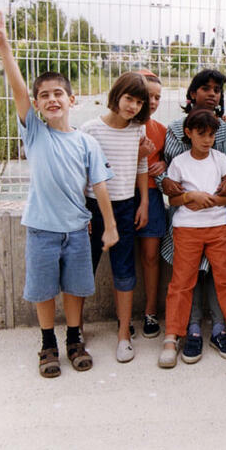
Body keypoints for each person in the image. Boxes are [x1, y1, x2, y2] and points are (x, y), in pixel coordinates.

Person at [0, 12, 118, 377]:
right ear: (38, 104)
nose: (51, 99)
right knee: (44, 290)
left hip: (77, 230)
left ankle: (74, 339)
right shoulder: (35, 134)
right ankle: (48, 344)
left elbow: (100, 185)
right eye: (43, 95)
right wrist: (3, 45)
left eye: (58, 93)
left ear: (72, 99)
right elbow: (16, 88)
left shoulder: (87, 142)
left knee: (75, 289)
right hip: (42, 230)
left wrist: (109, 225)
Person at [156, 69, 226, 362]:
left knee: (225, 278)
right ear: (192, 93)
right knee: (184, 279)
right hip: (186, 223)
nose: (212, 94)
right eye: (205, 88)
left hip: (220, 221)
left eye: (217, 90)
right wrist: (185, 195)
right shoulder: (175, 130)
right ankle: (186, 331)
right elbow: (166, 174)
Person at [81, 71, 150, 363]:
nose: (132, 106)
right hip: (93, 207)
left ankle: (124, 333)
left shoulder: (137, 131)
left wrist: (144, 202)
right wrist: (81, 212)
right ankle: (77, 328)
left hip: (125, 206)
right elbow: (81, 175)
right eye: (128, 98)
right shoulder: (90, 130)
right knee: (85, 270)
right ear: (116, 96)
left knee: (125, 271)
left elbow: (141, 169)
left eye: (138, 102)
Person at [135, 70, 166, 338]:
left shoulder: (161, 131)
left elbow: (174, 157)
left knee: (150, 256)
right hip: (123, 196)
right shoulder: (119, 127)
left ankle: (150, 311)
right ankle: (123, 317)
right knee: (123, 258)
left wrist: (164, 162)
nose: (152, 101)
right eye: (148, 95)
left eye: (157, 97)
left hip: (153, 196)